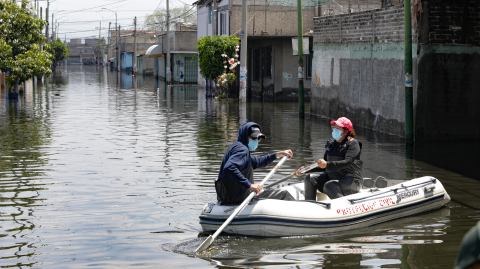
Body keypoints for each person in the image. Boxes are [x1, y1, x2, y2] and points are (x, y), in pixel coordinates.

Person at [215, 122, 295, 204]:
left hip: (231, 196)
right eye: (254, 138)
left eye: (258, 139)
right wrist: (249, 185)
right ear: (245, 136)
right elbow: (229, 167)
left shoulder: (237, 147)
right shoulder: (242, 150)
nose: (256, 141)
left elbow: (258, 162)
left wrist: (277, 154)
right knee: (284, 194)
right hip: (238, 197)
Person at [296, 117, 363, 200]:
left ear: (345, 132)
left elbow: (347, 162)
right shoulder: (330, 143)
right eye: (334, 127)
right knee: (309, 178)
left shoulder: (353, 143)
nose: (335, 130)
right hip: (332, 178)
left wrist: (326, 164)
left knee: (329, 185)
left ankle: (341, 207)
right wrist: (307, 169)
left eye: (338, 128)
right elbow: (324, 165)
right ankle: (309, 204)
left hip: (350, 181)